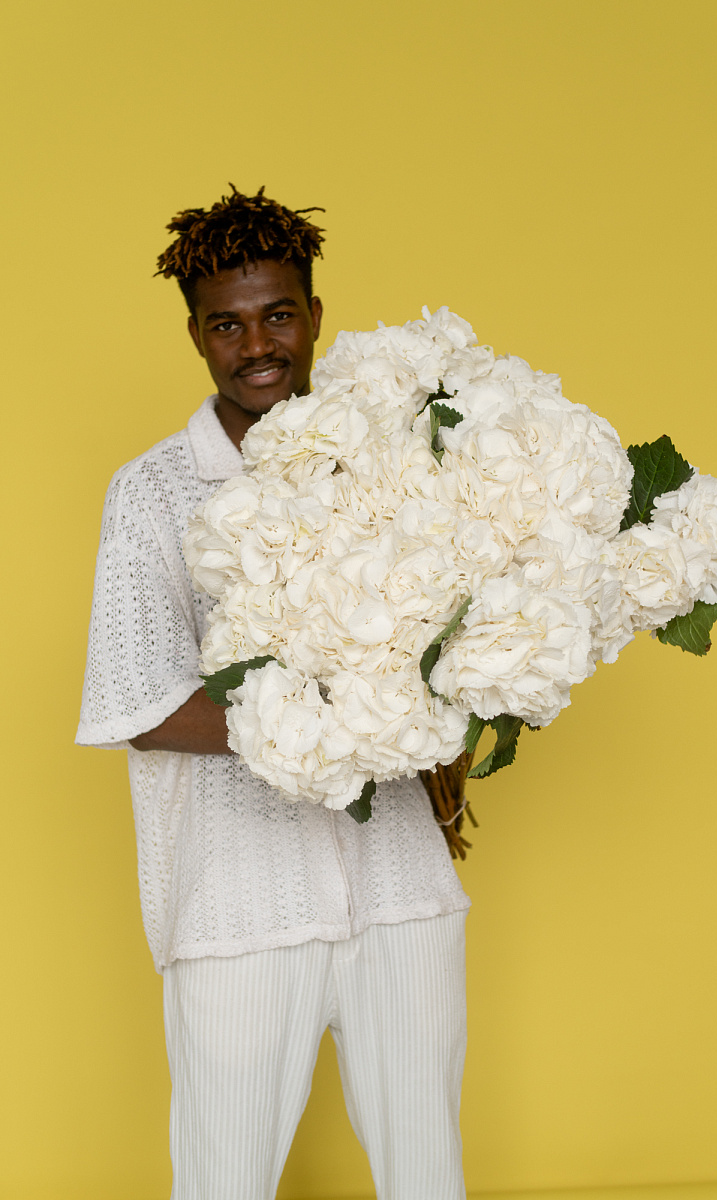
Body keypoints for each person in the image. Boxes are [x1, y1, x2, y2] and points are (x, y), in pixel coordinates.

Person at [76, 186, 471, 1200]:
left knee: (428, 1175)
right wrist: (352, 723)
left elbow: (451, 631)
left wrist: (452, 713)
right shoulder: (153, 490)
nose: (258, 345)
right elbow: (142, 703)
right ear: (197, 335)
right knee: (224, 1182)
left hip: (399, 883)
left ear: (315, 314)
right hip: (239, 899)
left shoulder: (391, 460)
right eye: (228, 324)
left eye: (279, 314)